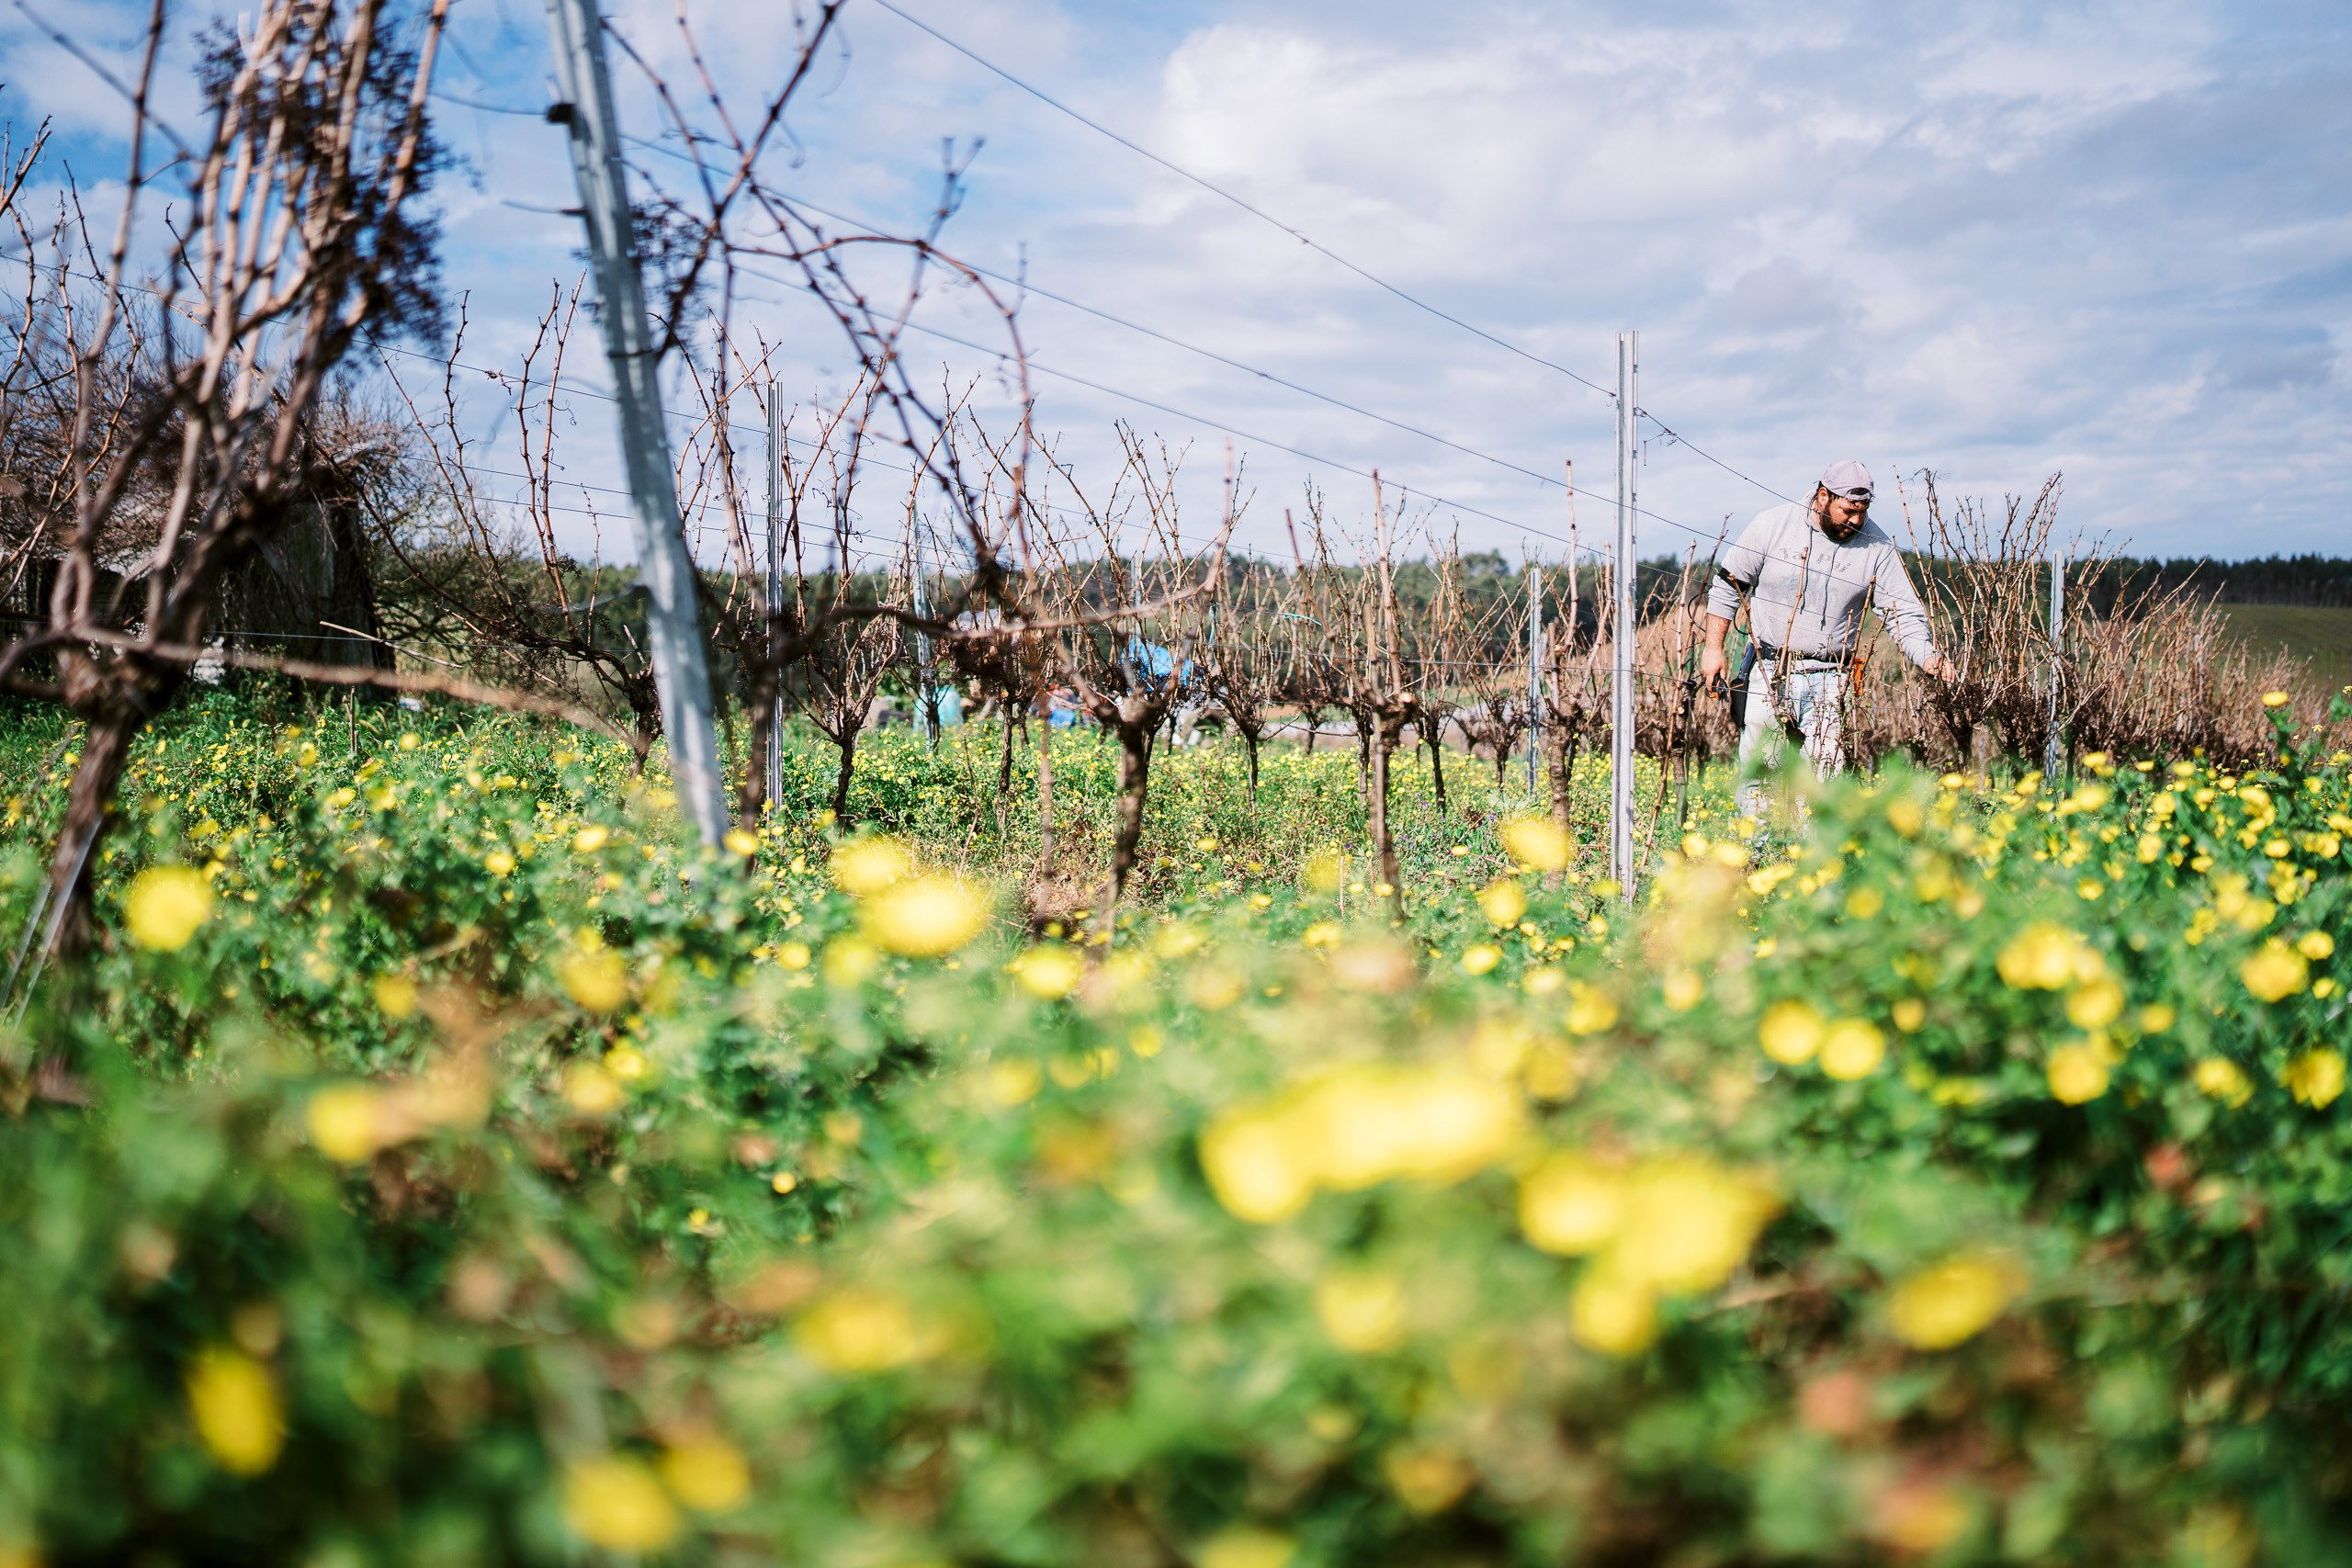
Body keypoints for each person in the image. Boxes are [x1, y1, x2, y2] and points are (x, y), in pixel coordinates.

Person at [1699, 460, 1952, 820]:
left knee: (1824, 783)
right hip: (1769, 668)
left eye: (1862, 512)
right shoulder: (1773, 525)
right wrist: (1713, 650)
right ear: (1822, 497)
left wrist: (1928, 657)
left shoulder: (1876, 546)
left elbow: (1902, 613)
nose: (1856, 521)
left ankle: (1814, 866)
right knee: (1760, 776)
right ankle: (1753, 862)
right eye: (1848, 510)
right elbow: (1728, 586)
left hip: (1831, 677)